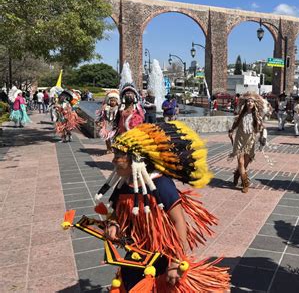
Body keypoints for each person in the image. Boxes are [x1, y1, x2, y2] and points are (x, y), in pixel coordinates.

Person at [92, 122, 229, 291]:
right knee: (129, 283)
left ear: (137, 159)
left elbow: (179, 222)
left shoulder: (161, 185)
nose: (113, 160)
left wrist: (176, 261)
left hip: (163, 255)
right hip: (136, 252)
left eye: (118, 156)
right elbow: (118, 213)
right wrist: (114, 225)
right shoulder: (125, 185)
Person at [228, 92, 266, 193]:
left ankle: (237, 174)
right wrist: (231, 130)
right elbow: (236, 123)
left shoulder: (257, 116)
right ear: (245, 103)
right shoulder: (241, 113)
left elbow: (262, 128)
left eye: (252, 101)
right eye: (248, 101)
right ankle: (245, 183)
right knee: (240, 162)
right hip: (239, 140)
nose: (249, 103)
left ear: (254, 104)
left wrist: (263, 137)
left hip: (250, 142)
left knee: (244, 164)